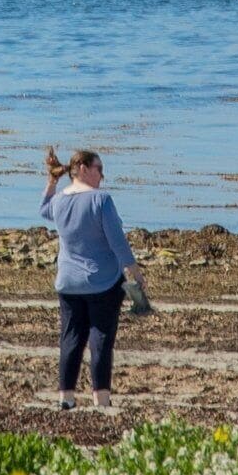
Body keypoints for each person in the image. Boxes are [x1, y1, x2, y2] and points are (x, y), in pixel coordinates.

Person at [39, 146, 143, 406]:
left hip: (68, 282)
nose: (102, 176)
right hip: (102, 282)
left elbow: (44, 208)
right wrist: (134, 271)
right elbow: (118, 242)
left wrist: (53, 180)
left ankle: (67, 397)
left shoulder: (61, 200)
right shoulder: (101, 200)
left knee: (71, 338)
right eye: (99, 169)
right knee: (100, 339)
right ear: (83, 169)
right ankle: (101, 399)